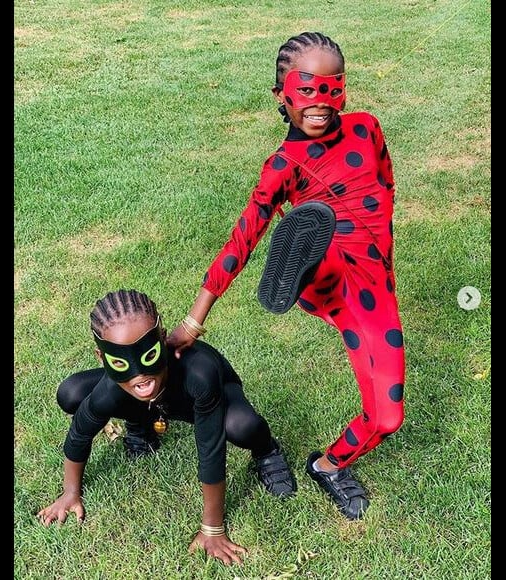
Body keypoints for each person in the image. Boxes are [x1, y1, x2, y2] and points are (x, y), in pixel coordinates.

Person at [167, 31, 405, 521]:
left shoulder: (367, 128)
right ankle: (303, 259)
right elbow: (241, 239)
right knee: (325, 241)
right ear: (282, 95)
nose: (320, 101)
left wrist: (382, 237)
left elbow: (385, 180)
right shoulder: (282, 166)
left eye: (331, 87)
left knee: (388, 416)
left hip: (373, 286)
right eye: (307, 89)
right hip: (332, 281)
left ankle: (328, 465)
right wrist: (194, 320)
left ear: (343, 87)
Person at [37, 289, 296, 566]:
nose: (140, 374)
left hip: (200, 400)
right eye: (122, 363)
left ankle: (267, 451)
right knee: (72, 393)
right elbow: (80, 431)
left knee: (243, 425)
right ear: (101, 358)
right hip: (149, 400)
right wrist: (70, 493)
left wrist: (212, 528)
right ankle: (141, 423)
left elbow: (210, 450)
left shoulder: (200, 372)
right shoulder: (117, 386)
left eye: (147, 355)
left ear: (162, 339)